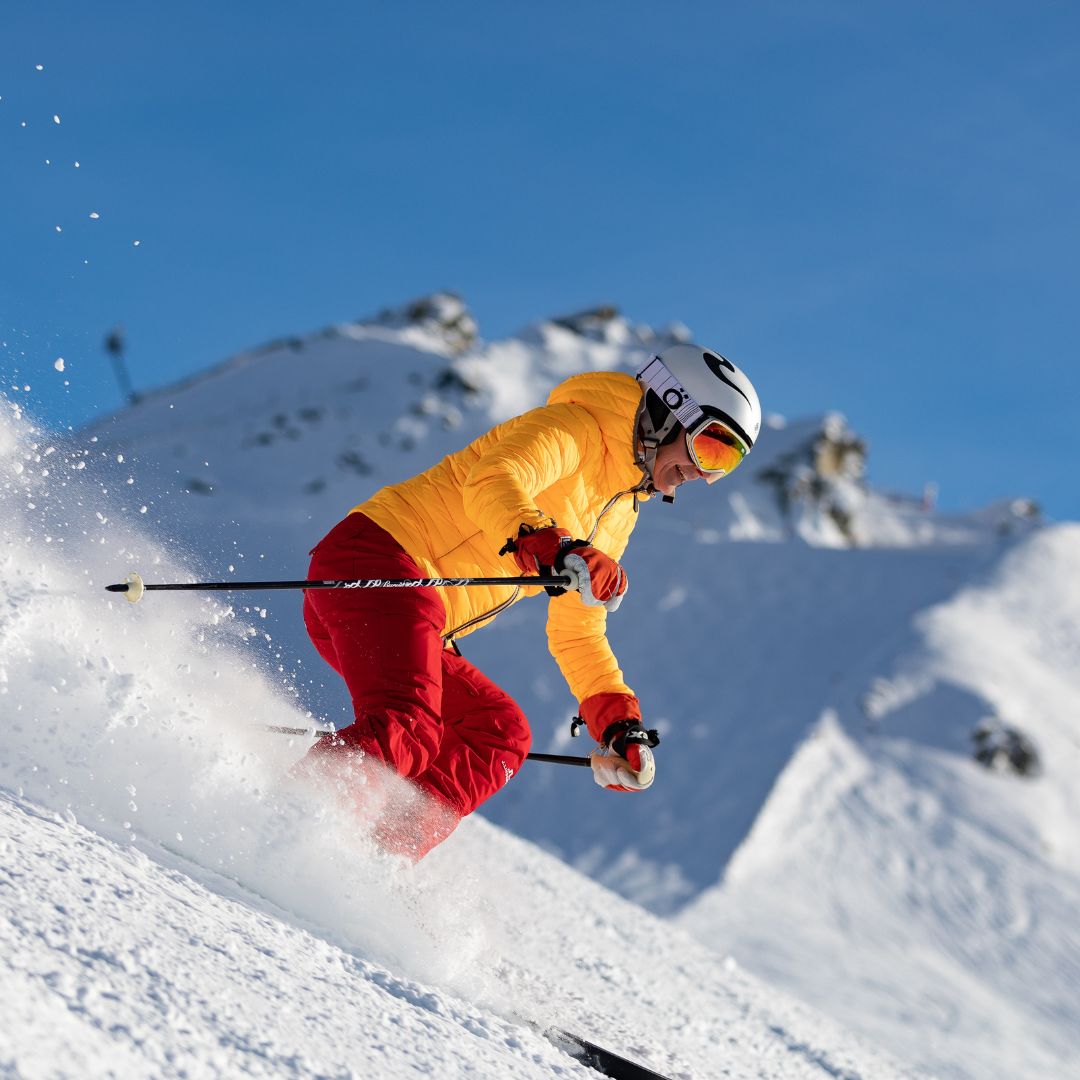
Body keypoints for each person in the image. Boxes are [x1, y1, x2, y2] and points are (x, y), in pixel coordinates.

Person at [298, 343, 762, 858]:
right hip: (380, 560)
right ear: (669, 409)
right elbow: (494, 478)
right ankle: (292, 818)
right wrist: (549, 543)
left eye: (727, 464)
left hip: (417, 616)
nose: (704, 474)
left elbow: (577, 630)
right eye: (709, 448)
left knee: (497, 733)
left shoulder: (619, 508)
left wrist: (617, 722)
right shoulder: (577, 428)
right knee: (411, 725)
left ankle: (374, 857)